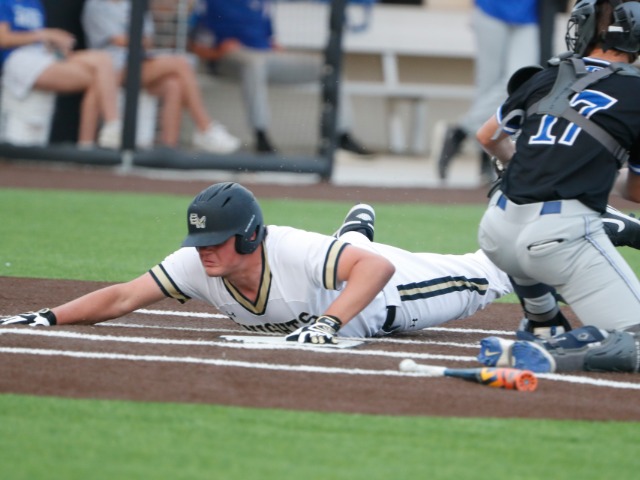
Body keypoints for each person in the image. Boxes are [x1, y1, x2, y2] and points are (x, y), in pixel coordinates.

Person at [1, 181, 515, 341]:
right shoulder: (196, 262)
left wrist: (327, 323)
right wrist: (49, 316)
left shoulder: (287, 247)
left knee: (496, 271)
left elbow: (377, 272)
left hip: (387, 298)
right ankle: (350, 237)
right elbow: (123, 296)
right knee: (338, 258)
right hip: (335, 272)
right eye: (199, 240)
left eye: (216, 240)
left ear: (249, 238)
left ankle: (573, 223)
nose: (204, 250)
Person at [475, 0, 640, 374]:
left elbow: (488, 136)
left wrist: (533, 165)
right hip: (560, 236)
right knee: (637, 345)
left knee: (522, 237)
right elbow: (635, 191)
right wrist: (595, 173)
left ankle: (543, 320)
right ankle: (551, 351)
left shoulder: (545, 76)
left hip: (496, 231)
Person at [187, 0, 373, 156]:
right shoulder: (209, 2)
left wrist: (278, 52)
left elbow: (269, 38)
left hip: (266, 57)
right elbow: (193, 44)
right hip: (230, 59)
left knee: (328, 66)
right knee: (255, 64)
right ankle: (261, 137)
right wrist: (217, 52)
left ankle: (342, 136)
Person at [81, 0, 241, 153]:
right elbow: (121, 40)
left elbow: (147, 41)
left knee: (174, 83)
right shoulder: (97, 5)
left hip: (138, 63)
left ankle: (168, 149)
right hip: (112, 69)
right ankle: (205, 127)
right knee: (181, 64)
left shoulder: (133, 5)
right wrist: (135, 39)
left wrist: (136, 40)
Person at [437, 0, 540, 183]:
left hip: (530, 14)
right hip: (491, 10)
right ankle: (486, 160)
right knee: (487, 87)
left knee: (520, 81)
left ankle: (460, 131)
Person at [0, 0, 122, 148]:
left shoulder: (34, 4)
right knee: (97, 74)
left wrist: (56, 46)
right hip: (17, 60)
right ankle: (103, 133)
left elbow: (37, 41)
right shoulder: (6, 2)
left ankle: (94, 140)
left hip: (41, 55)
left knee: (102, 62)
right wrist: (46, 34)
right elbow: (3, 39)